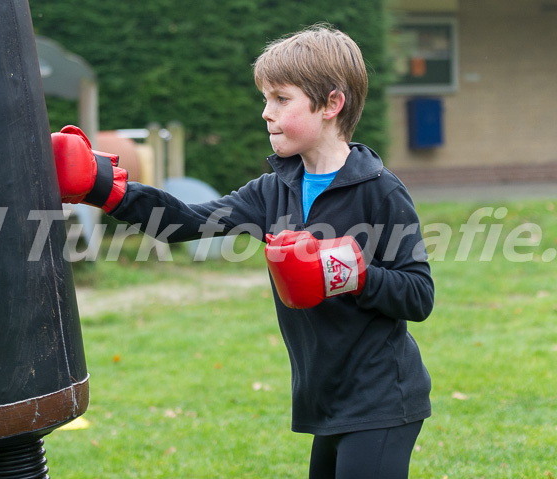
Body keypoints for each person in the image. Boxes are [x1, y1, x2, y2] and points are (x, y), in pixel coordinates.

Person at [50, 23, 434, 479]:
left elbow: (419, 294)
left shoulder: (380, 192)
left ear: (332, 103)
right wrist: (107, 191)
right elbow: (185, 223)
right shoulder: (273, 191)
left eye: (281, 99)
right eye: (265, 99)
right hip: (328, 395)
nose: (266, 113)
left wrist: (352, 272)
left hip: (383, 395)